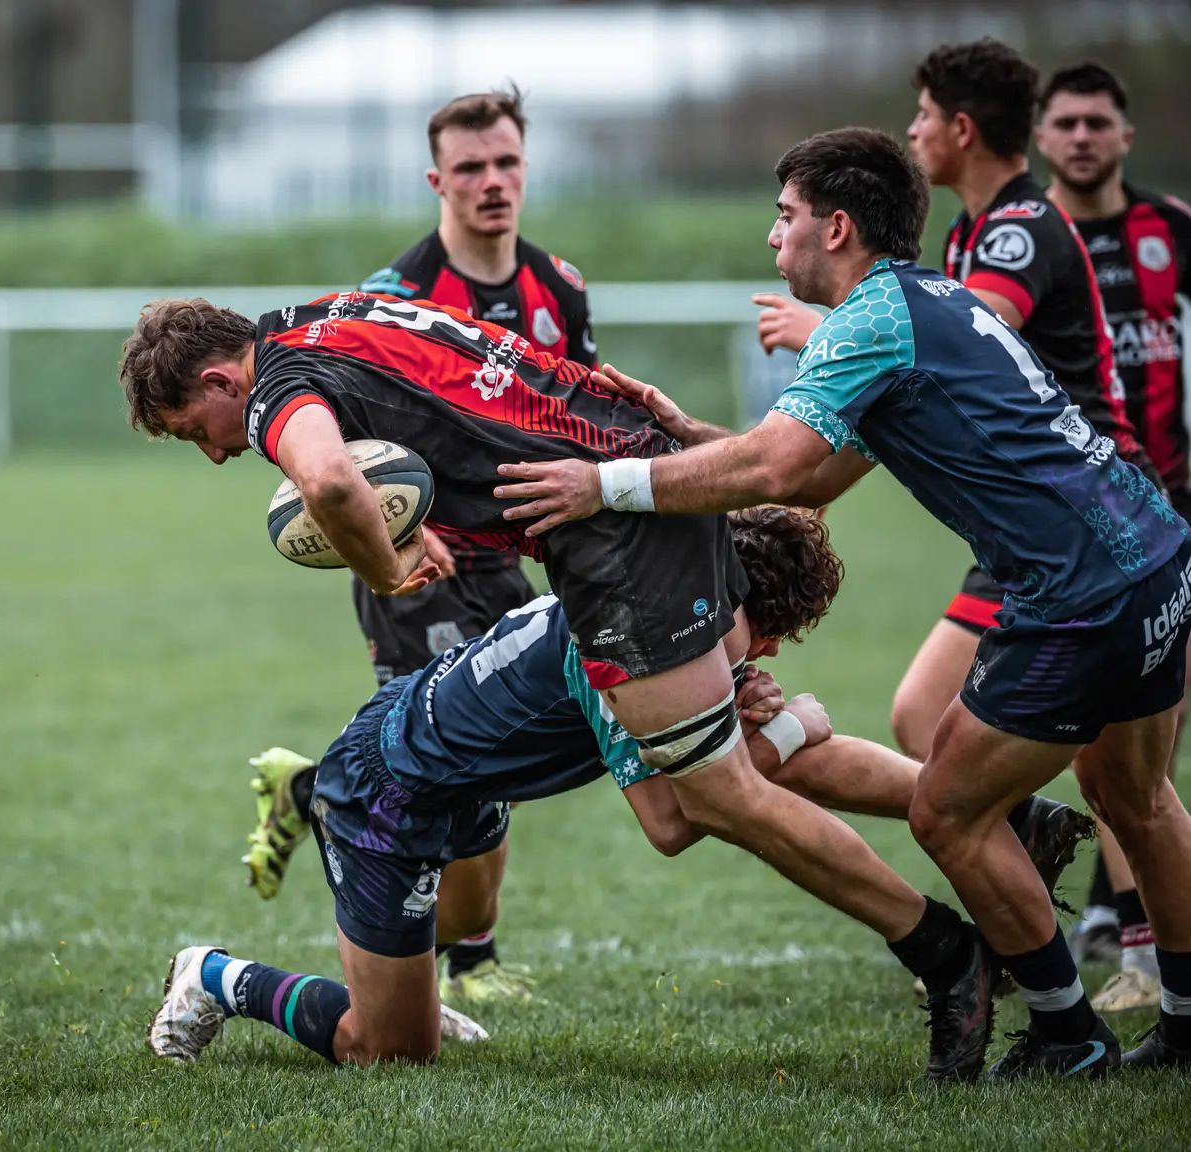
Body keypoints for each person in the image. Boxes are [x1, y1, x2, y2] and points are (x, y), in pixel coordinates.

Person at [118, 287, 1001, 1081]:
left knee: (718, 787)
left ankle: (945, 940)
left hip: (602, 535)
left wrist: (385, 568)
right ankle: (223, 974)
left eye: (196, 431)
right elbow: (432, 403)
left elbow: (327, 481)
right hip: (622, 477)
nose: (216, 454)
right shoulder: (325, 316)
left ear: (220, 381)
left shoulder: (275, 382)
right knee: (397, 1039)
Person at [492, 125, 1191, 1075]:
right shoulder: (925, 299)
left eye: (784, 215)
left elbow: (778, 467)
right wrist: (685, 432)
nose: (771, 236)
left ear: (836, 227)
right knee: (1134, 796)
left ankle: (1068, 1036)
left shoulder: (868, 319)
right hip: (1154, 555)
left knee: (947, 812)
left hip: (1080, 596)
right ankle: (1184, 1027)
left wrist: (602, 484)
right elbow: (813, 480)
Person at [145, 510, 1076, 1070]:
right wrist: (789, 726)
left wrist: (772, 726)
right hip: (388, 793)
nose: (762, 656)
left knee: (465, 928)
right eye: (766, 640)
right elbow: (674, 823)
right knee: (387, 1050)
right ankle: (214, 976)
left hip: (467, 780)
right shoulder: (635, 640)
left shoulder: (674, 601)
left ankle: (988, 808)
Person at [245, 87, 599, 1005]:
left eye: (506, 162)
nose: (492, 182)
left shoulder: (558, 288)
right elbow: (345, 447)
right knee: (433, 756)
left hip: (514, 551)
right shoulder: (395, 295)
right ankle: (462, 963)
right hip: (416, 562)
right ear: (437, 182)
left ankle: (308, 792)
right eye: (470, 168)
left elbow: (571, 407)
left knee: (504, 739)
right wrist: (407, 530)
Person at [749, 39, 1151, 763]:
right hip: (1057, 517)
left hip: (1075, 514)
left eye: (924, 114)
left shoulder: (1017, 230)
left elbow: (961, 347)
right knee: (1120, 788)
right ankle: (1046, 836)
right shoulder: (971, 232)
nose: (913, 129)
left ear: (961, 129)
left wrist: (828, 337)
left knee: (932, 732)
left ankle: (1011, 833)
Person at [1036, 60, 1191, 1014]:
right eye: (1067, 122)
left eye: (1099, 121)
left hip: (1172, 507)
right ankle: (1112, 919)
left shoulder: (1170, 228)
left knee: (1145, 751)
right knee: (1113, 748)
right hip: (1071, 521)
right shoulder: (1021, 239)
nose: (1084, 136)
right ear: (1041, 137)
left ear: (1126, 135)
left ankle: (1136, 940)